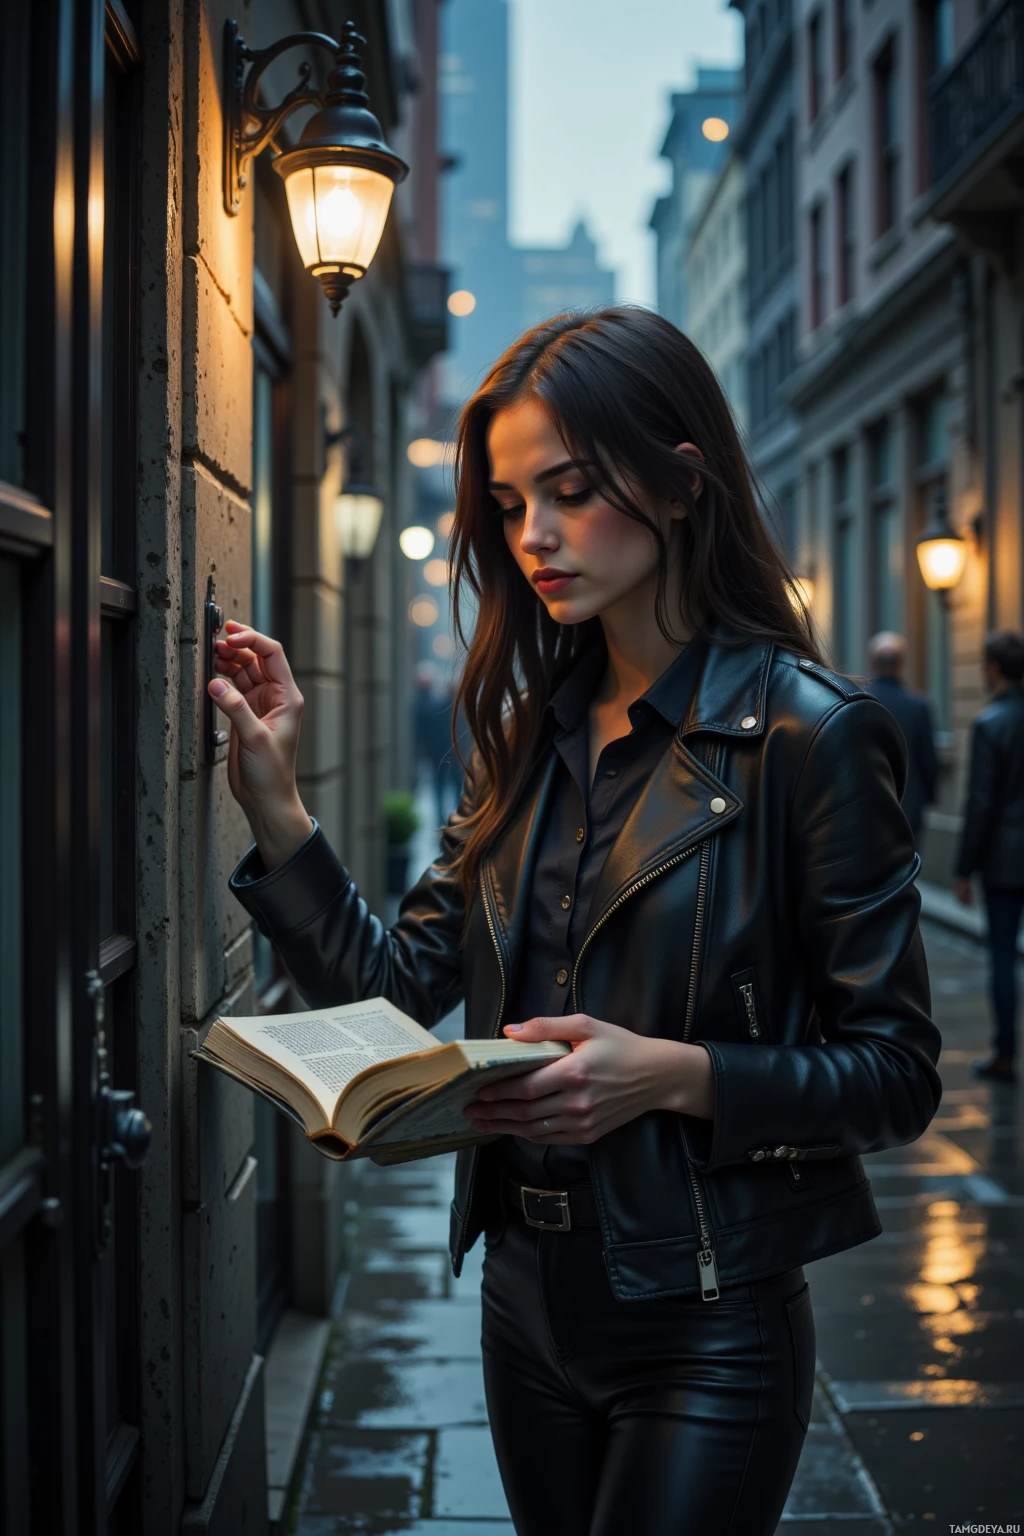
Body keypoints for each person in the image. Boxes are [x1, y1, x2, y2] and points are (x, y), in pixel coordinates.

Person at [208, 308, 940, 1536]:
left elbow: (897, 1073)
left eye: (571, 490)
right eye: (506, 502)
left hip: (708, 1315)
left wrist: (671, 1076)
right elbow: (397, 979)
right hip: (521, 1298)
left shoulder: (810, 735)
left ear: (678, 484)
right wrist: (277, 808)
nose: (533, 536)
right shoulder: (524, 735)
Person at [954, 630, 1024, 1083]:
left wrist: (964, 868)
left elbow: (981, 805)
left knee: (1002, 954)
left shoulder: (990, 723)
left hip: (1005, 859)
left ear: (993, 668)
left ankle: (1005, 1055)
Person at [865, 631, 939, 846]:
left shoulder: (860, 701)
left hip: (868, 804)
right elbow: (929, 759)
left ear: (872, 662)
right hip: (910, 804)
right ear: (902, 663)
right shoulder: (918, 706)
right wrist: (928, 797)